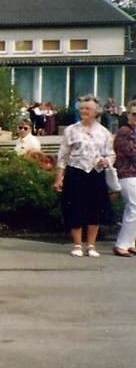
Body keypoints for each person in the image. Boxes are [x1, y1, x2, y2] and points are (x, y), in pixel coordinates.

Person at [55, 95, 115, 257]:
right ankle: (77, 244)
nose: (83, 111)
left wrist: (107, 161)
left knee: (95, 209)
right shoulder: (71, 130)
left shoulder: (104, 132)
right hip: (76, 172)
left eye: (87, 108)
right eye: (81, 108)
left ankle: (91, 245)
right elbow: (63, 155)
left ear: (96, 112)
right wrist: (59, 178)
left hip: (95, 173)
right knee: (75, 207)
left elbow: (111, 154)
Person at [112, 100, 136, 257]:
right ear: (128, 114)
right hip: (128, 174)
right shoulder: (125, 132)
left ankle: (130, 242)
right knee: (133, 208)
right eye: (134, 114)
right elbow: (132, 153)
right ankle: (122, 244)